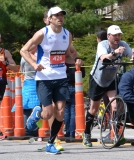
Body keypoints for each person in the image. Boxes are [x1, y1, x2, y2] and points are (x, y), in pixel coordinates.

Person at [20, 6, 83, 154]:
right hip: (44, 78)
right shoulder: (43, 33)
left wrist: (77, 60)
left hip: (61, 77)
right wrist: (34, 64)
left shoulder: (67, 34)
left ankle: (50, 143)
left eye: (62, 15)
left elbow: (67, 55)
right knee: (48, 113)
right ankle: (37, 113)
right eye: (56, 15)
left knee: (60, 112)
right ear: (49, 19)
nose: (60, 18)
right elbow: (24, 50)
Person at [82, 25, 134, 147]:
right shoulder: (102, 45)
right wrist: (114, 53)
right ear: (108, 36)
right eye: (114, 35)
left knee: (115, 105)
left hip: (111, 79)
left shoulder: (123, 44)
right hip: (97, 80)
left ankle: (116, 133)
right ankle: (86, 134)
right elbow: (103, 58)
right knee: (93, 109)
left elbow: (131, 56)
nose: (117, 38)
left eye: (119, 35)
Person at [0, 29, 18, 140]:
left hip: (1, 83)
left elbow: (15, 69)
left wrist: (6, 63)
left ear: (0, 40)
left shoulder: (5, 52)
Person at [64, 45, 85, 138]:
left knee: (66, 110)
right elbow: (82, 74)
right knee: (73, 110)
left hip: (64, 86)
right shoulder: (78, 60)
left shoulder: (63, 60)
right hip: (76, 86)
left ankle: (68, 131)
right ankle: (73, 132)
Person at [20, 54, 39, 137]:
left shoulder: (24, 56)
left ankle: (26, 130)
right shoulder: (40, 55)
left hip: (27, 83)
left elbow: (21, 70)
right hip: (39, 81)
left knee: (26, 108)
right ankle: (36, 130)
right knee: (38, 109)